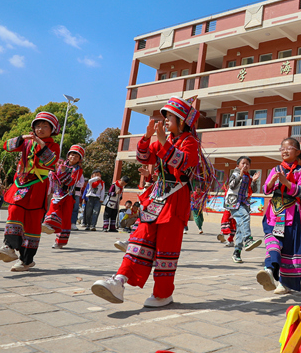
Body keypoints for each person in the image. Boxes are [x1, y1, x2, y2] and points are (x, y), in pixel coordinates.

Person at [91, 96, 213, 307]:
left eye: (170, 117)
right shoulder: (166, 140)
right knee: (138, 240)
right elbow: (144, 157)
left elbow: (182, 162)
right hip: (157, 199)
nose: (165, 120)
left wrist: (162, 141)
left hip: (175, 200)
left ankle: (163, 294)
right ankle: (119, 281)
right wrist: (147, 138)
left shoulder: (190, 142)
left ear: (182, 121)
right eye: (164, 117)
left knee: (167, 249)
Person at [0, 112, 60, 271]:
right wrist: (21, 137)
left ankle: (26, 260)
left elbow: (50, 161)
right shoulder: (26, 142)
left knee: (32, 223)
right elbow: (6, 146)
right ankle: (9, 247)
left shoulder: (53, 146)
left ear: (52, 129)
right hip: (21, 183)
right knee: (14, 209)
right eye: (37, 126)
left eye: (45, 126)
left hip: (38, 184)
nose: (40, 129)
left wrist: (42, 145)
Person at [256, 138, 301, 295]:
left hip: (291, 215)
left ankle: (284, 283)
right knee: (272, 242)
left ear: (297, 152)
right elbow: (266, 190)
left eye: (288, 148)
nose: (284, 151)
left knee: (287, 249)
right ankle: (269, 270)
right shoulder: (275, 169)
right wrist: (272, 181)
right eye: (282, 149)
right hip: (274, 213)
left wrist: (286, 182)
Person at [42, 145, 85, 249]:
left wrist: (62, 172)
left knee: (66, 219)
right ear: (68, 155)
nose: (73, 157)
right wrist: (54, 171)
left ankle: (60, 242)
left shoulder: (78, 170)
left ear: (79, 159)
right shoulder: (60, 164)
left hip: (68, 195)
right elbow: (53, 175)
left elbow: (71, 182)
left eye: (76, 156)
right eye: (72, 154)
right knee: (53, 206)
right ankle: (49, 224)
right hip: (58, 193)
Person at [225, 156, 262, 263]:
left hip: (244, 203)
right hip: (234, 203)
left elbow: (253, 190)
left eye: (247, 164)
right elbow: (231, 186)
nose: (245, 166)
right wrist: (240, 176)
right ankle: (248, 240)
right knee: (245, 217)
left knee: (241, 227)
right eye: (243, 163)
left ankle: (237, 252)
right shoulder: (235, 174)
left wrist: (254, 181)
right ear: (238, 165)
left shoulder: (249, 177)